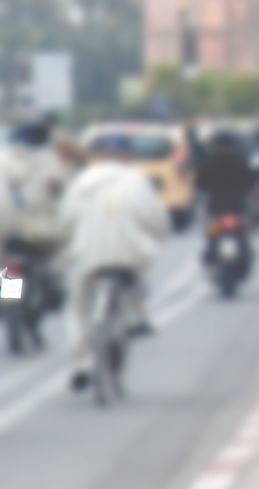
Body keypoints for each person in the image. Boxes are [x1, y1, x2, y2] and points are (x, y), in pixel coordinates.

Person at [57, 133, 169, 389]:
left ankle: (10, 304)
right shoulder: (136, 181)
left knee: (10, 269)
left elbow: (64, 220)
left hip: (23, 239)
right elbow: (156, 222)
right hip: (123, 255)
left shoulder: (77, 179)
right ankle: (137, 315)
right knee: (142, 270)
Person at [0, 118, 73, 351]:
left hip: (7, 236)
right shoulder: (51, 162)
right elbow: (63, 193)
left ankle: (9, 302)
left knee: (9, 273)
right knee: (55, 273)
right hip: (43, 236)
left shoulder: (3, 161)